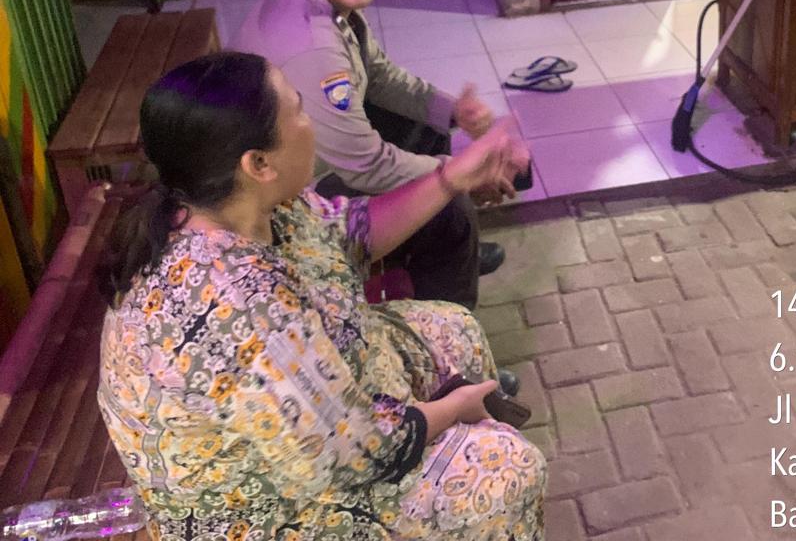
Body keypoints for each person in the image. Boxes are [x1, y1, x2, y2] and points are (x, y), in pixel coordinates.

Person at [97, 52, 546, 541]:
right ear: (258, 163)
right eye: (298, 110)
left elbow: (347, 233)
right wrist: (454, 409)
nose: (310, 121)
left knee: (452, 326)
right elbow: (355, 454)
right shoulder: (235, 304)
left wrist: (452, 177)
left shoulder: (249, 205)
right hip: (266, 510)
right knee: (508, 469)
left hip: (318, 421)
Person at [233, 0, 504, 312]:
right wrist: (460, 175)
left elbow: (378, 75)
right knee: (448, 206)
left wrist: (454, 110)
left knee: (425, 129)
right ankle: (449, 341)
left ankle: (448, 253)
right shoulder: (312, 45)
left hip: (314, 154)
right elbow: (367, 167)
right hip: (291, 199)